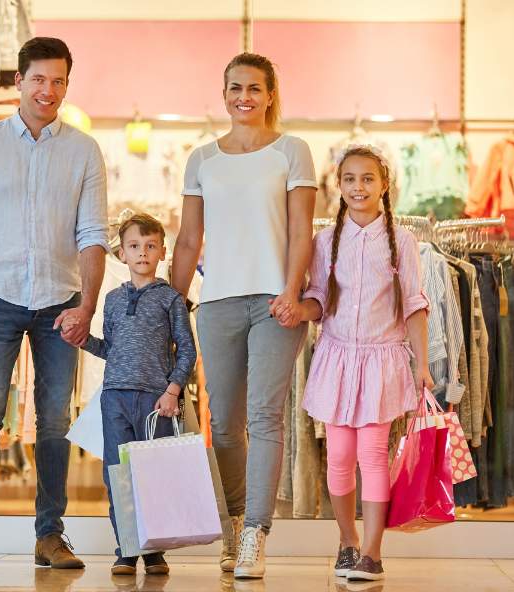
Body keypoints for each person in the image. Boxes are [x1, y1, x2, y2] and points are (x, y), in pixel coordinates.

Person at [0, 36, 109, 573]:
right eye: (39, 79)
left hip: (62, 300)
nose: (49, 90)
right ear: (19, 81)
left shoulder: (84, 151)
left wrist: (88, 306)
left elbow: (93, 235)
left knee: (55, 421)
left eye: (59, 81)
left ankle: (50, 536)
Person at [171, 53, 316, 579]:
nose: (244, 97)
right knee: (226, 426)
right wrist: (171, 305)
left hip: (276, 303)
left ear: (270, 95)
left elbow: (303, 231)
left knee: (265, 418)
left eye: (254, 88)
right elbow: (189, 240)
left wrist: (292, 289)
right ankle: (234, 524)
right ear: (224, 92)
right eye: (235, 88)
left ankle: (257, 531)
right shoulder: (202, 159)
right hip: (218, 303)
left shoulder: (292, 152)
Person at [278, 144, 433, 583]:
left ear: (384, 185)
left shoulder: (403, 241)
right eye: (349, 179)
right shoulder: (325, 240)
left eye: (367, 178)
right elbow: (319, 301)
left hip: (381, 361)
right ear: (338, 185)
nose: (358, 187)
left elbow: (415, 307)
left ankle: (372, 551)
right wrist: (297, 309)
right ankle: (346, 541)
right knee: (339, 456)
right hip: (337, 356)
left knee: (373, 455)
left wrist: (421, 365)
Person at [72, 213, 197, 577]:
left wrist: (173, 390)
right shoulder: (110, 300)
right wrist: (84, 342)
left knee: (153, 476)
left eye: (150, 246)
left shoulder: (171, 299)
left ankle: (154, 550)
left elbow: (186, 351)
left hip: (156, 402)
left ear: (161, 252)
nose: (142, 252)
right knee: (118, 476)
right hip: (114, 399)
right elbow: (111, 348)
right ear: (121, 253)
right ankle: (127, 549)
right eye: (134, 246)